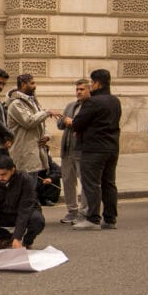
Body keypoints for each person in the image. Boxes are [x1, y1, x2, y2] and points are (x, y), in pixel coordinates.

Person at [66, 69, 121, 231]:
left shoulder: (92, 102)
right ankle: (110, 219)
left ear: (97, 83)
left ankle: (92, 218)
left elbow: (78, 123)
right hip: (112, 147)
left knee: (91, 184)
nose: (90, 85)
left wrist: (71, 121)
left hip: (93, 148)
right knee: (109, 183)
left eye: (91, 82)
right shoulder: (115, 101)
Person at [7, 74, 55, 176]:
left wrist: (46, 136)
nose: (35, 86)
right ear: (23, 84)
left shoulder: (33, 101)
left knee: (31, 188)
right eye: (32, 83)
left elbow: (41, 122)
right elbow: (29, 122)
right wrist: (47, 113)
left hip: (34, 153)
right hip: (23, 154)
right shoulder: (16, 104)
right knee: (24, 188)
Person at [57, 79, 89, 223]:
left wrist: (73, 123)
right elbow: (60, 124)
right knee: (68, 181)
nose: (78, 92)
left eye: (82, 89)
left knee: (85, 182)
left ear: (89, 90)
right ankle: (72, 211)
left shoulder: (90, 107)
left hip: (81, 150)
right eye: (77, 89)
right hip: (67, 149)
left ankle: (84, 212)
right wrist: (65, 121)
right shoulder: (71, 105)